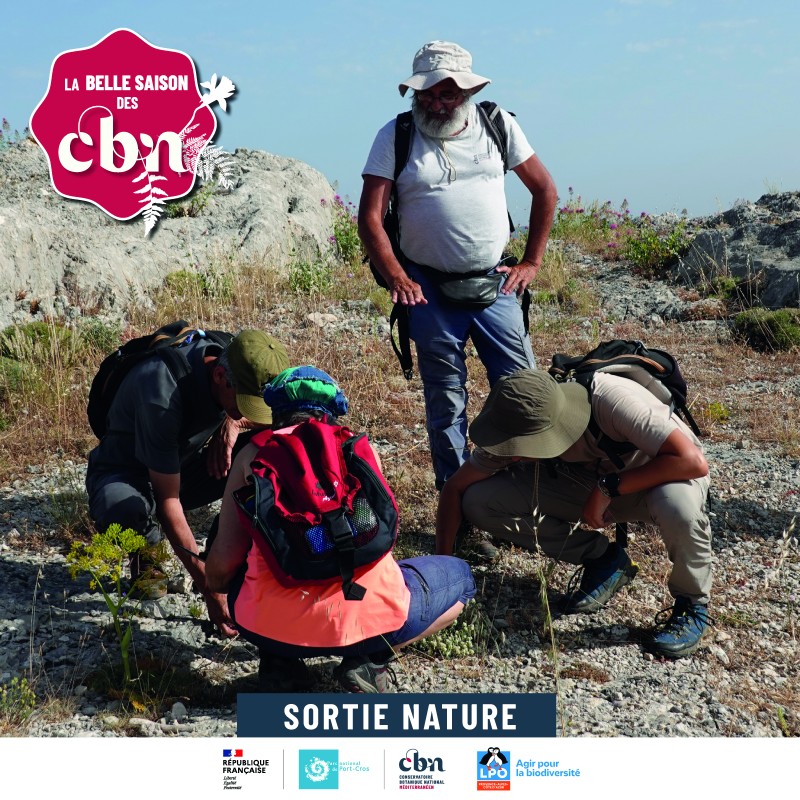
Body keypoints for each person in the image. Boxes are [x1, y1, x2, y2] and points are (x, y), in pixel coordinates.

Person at [358, 41, 558, 506]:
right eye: (427, 94)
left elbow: (545, 189)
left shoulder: (498, 124)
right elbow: (370, 218)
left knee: (524, 391)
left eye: (446, 94)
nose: (436, 103)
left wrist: (530, 262)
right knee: (445, 401)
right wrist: (395, 277)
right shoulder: (396, 135)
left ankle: (527, 494)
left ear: (465, 92)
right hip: (426, 288)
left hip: (495, 282)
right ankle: (457, 498)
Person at [205, 366, 476, 693]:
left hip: (268, 627)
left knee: (247, 564)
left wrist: (227, 584)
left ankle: (280, 666)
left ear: (274, 411)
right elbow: (381, 538)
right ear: (332, 411)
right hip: (371, 620)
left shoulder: (253, 456)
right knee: (462, 578)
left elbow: (221, 567)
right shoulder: (358, 449)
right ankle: (370, 661)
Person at [435, 369, 714, 659]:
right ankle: (605, 561)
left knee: (679, 508)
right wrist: (442, 571)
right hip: (588, 484)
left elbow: (692, 462)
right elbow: (456, 488)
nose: (513, 455)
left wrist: (607, 489)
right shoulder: (517, 421)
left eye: (520, 449)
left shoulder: (612, 401)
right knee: (480, 501)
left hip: (659, 478)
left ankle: (692, 604)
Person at [86, 328, 289, 636]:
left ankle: (234, 551)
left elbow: (285, 417)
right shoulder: (162, 393)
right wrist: (210, 588)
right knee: (124, 508)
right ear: (219, 375)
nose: (248, 411)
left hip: (181, 462)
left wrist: (234, 422)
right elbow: (169, 501)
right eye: (243, 403)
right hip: (127, 471)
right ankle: (147, 548)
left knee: (268, 451)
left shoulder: (237, 358)